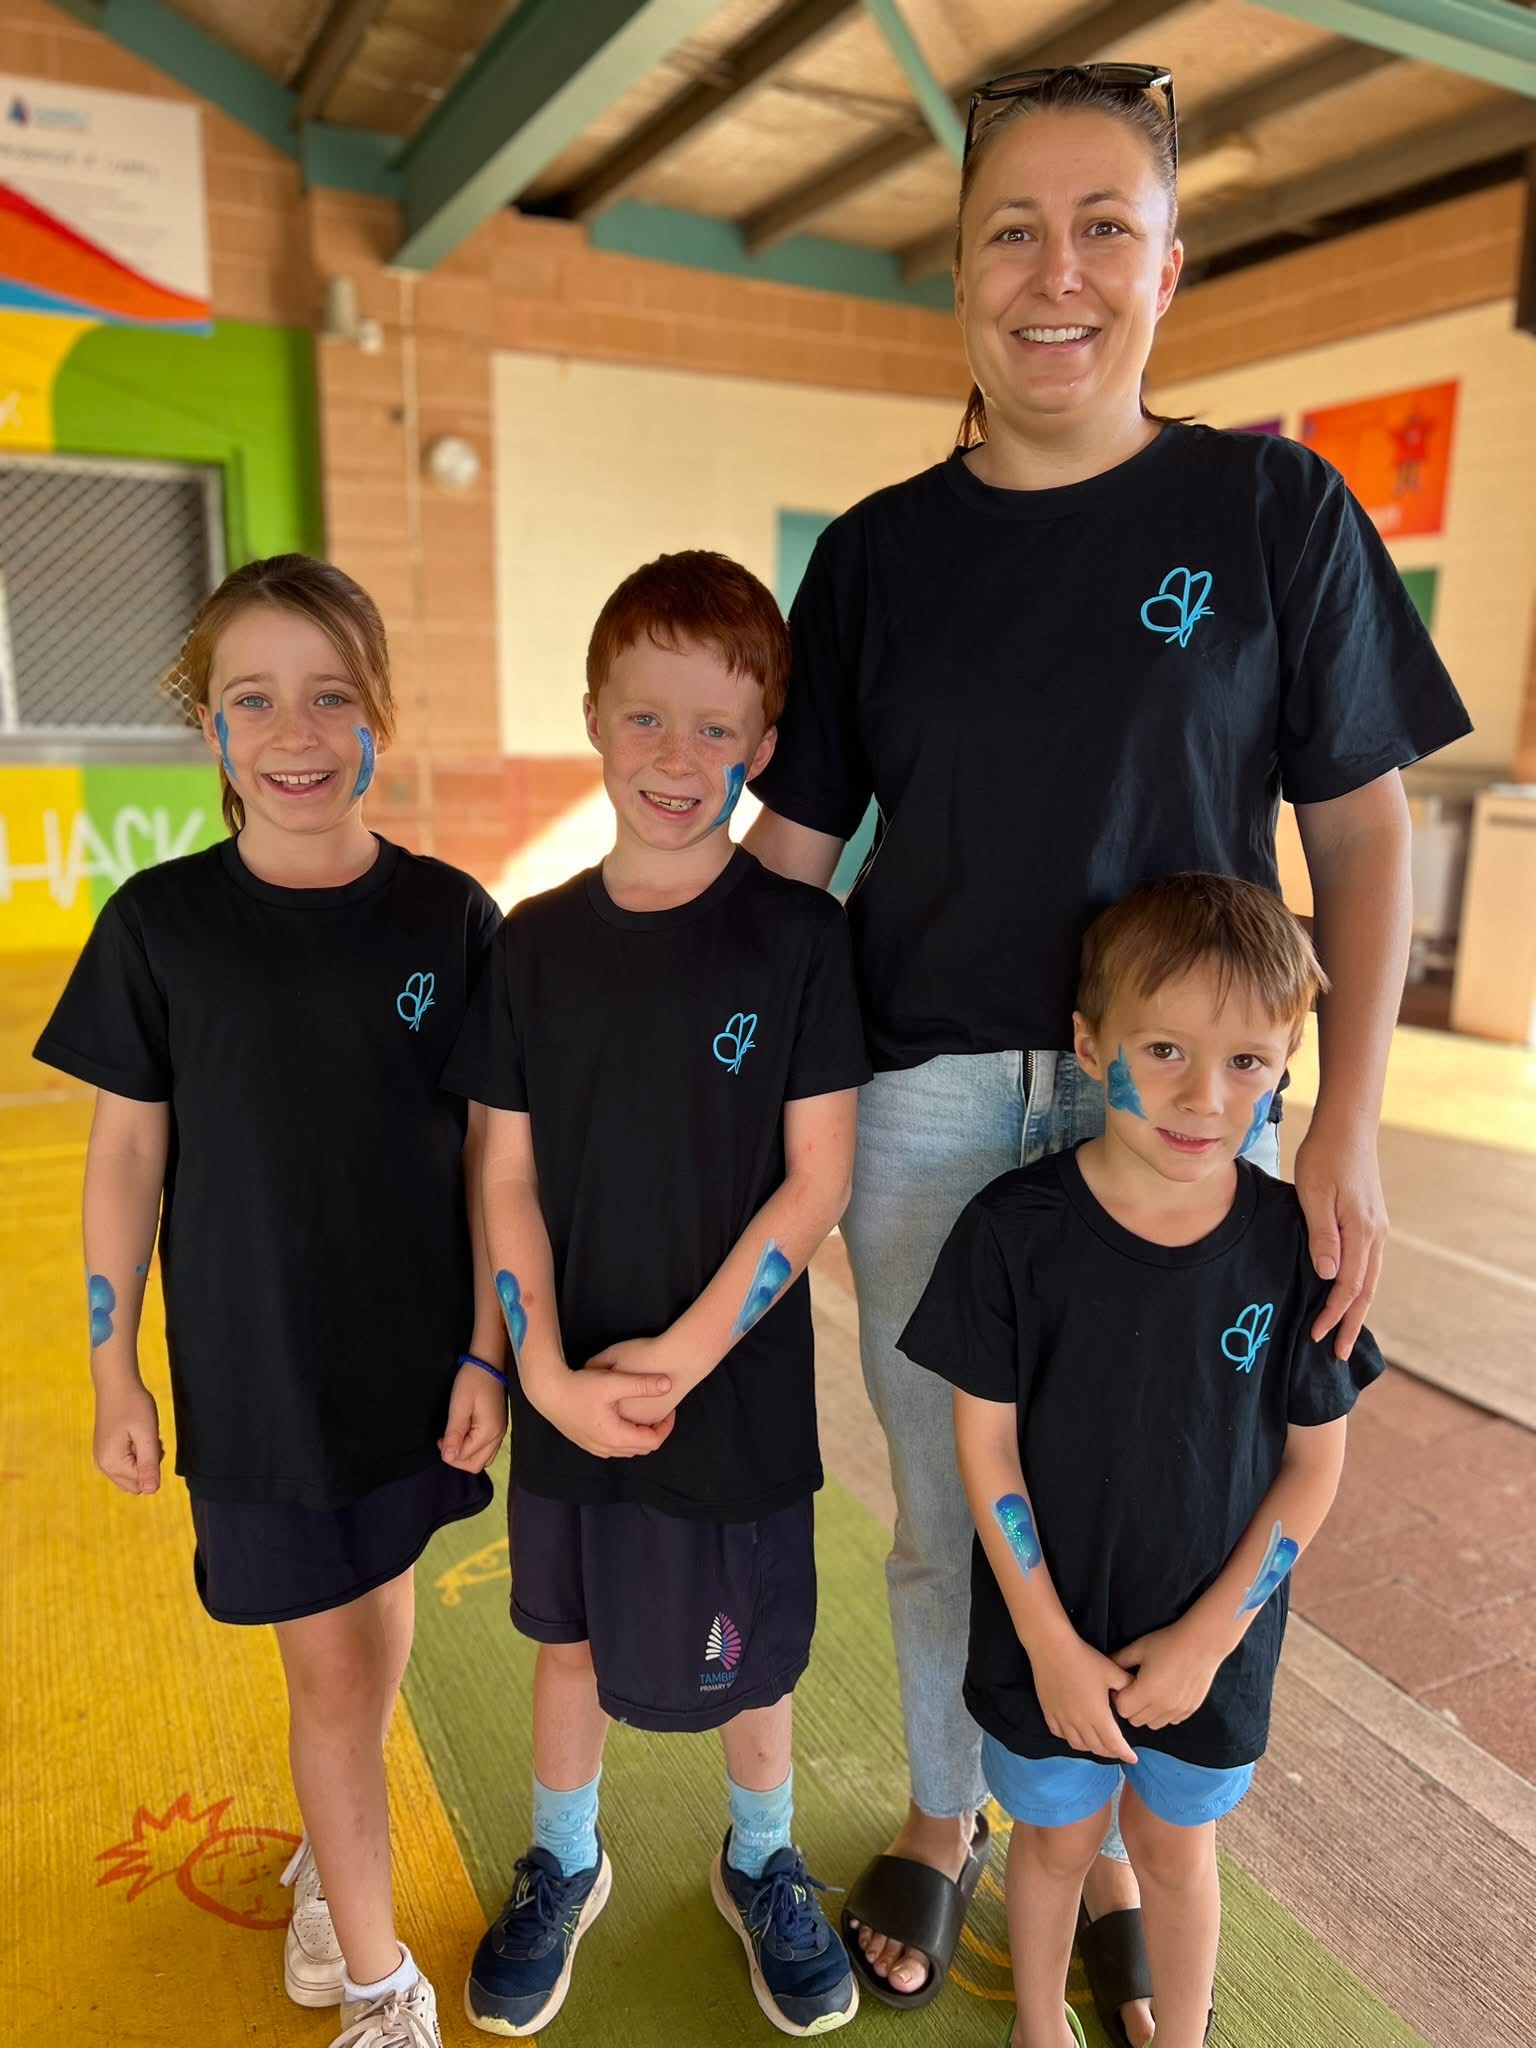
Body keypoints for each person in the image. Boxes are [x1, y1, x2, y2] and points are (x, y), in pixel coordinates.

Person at [744, 60, 1470, 2039]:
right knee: (949, 1507)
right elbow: (792, 862)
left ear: (1168, 265)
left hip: (1190, 1110)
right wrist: (700, 1077)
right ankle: (950, 1807)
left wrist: (1349, 1129)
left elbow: (1361, 829)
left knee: (1172, 1498)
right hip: (929, 1099)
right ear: (957, 267)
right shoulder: (879, 554)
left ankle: (1133, 1834)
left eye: (1102, 229)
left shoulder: (1273, 509)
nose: (1053, 271)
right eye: (1012, 229)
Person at [34, 555, 509, 2048]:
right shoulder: (160, 924)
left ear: (380, 714)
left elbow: (493, 1158)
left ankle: (329, 1846)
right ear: (210, 725)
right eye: (254, 699)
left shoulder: (451, 916)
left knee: (379, 1609)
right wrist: (113, 1367)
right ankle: (377, 1980)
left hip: (416, 1366)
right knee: (329, 1673)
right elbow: (126, 1157)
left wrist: (488, 1348)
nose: (295, 733)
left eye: (330, 696)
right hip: (259, 1382)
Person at [443, 551, 870, 2040]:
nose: (677, 758)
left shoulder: (804, 941)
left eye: (715, 728)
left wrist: (680, 1360)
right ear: (592, 717)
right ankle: (564, 1857)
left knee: (756, 1657)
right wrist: (542, 1372)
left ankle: (762, 1861)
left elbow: (815, 1183)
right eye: (646, 717)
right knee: (565, 1637)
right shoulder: (531, 945)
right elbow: (502, 1171)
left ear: (763, 746)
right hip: (569, 1383)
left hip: (731, 1390)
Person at [902, 872, 1385, 2048]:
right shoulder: (1011, 1234)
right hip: (1045, 1644)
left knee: (1174, 1847)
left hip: (1213, 1652)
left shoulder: (1295, 1249)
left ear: (1286, 1067)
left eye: (1247, 1061)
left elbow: (1312, 1468)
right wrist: (1049, 1643)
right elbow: (985, 1446)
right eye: (1163, 1048)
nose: (1203, 1096)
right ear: (1089, 1045)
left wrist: (1210, 1637)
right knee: (1056, 1842)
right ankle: (1036, 2024)